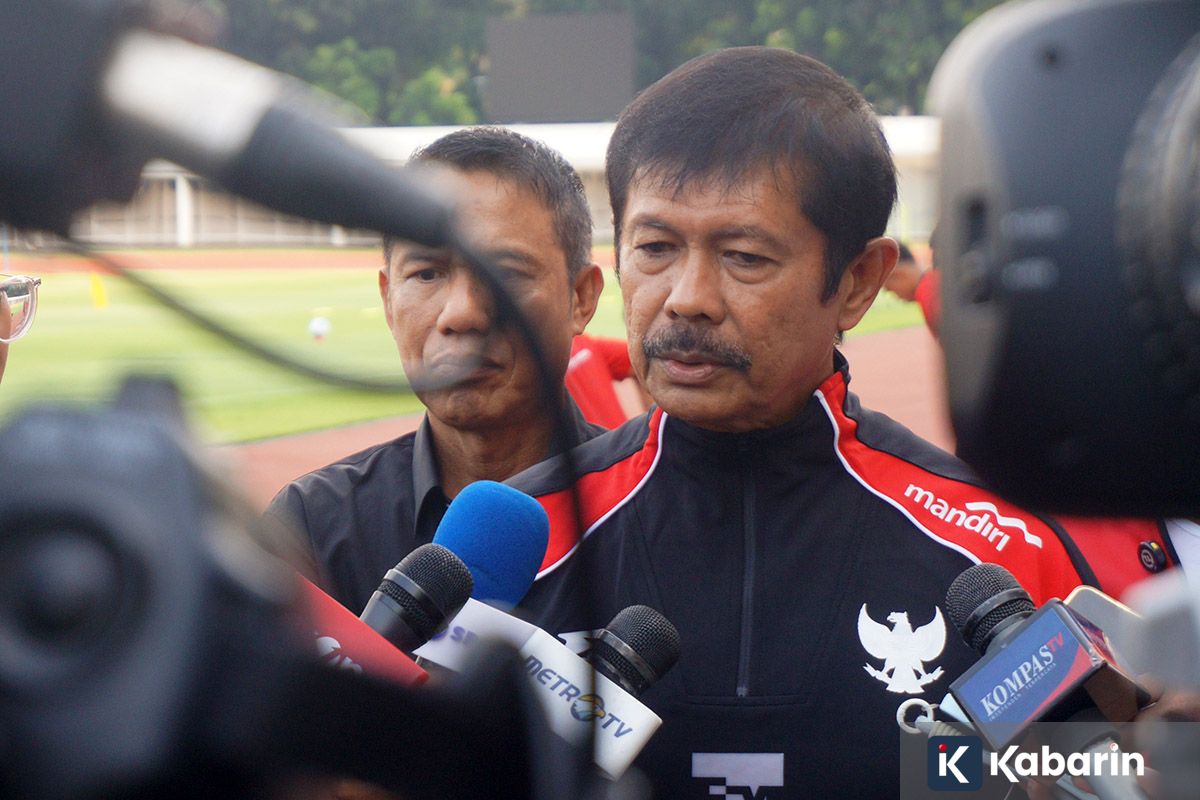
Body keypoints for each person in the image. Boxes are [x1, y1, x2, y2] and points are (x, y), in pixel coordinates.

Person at [508, 47, 1169, 798]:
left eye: (744, 256)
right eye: (655, 248)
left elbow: (1112, 776)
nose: (687, 297)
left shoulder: (1004, 556)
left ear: (858, 281)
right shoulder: (521, 541)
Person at [265, 127, 605, 614]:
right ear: (388, 299)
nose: (461, 314)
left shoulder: (651, 513)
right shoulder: (312, 527)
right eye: (427, 274)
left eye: (505, 274)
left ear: (581, 297)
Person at [566, 332, 648, 429]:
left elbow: (644, 358)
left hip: (622, 436)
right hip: (608, 437)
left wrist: (652, 425)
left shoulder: (579, 341)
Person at [883, 240, 941, 337]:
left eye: (890, 289)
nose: (896, 297)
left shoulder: (927, 293)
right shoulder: (935, 282)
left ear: (899, 274)